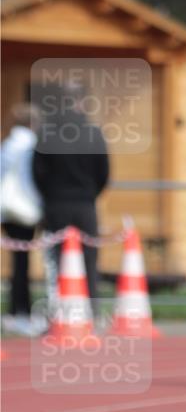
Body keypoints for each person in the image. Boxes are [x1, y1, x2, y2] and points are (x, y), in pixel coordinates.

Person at [32, 81, 110, 307]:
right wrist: (89, 194)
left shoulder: (47, 133)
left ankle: (60, 312)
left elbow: (38, 172)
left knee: (57, 260)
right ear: (82, 101)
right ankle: (91, 312)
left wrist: (50, 195)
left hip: (56, 204)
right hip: (85, 204)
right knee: (89, 260)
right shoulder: (93, 133)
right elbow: (103, 172)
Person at [0, 104, 44, 336]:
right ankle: (22, 311)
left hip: (6, 211)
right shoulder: (30, 147)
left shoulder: (6, 145)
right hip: (24, 210)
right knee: (22, 264)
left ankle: (14, 310)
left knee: (17, 262)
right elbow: (30, 181)